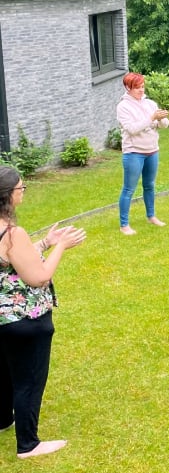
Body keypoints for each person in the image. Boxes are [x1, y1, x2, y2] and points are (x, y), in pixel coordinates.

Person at [0, 166, 86, 458]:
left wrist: (45, 242)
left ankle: (4, 420)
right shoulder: (12, 232)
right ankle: (28, 444)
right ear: (9, 196)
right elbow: (38, 277)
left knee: (4, 372)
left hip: (2, 319)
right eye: (21, 189)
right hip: (25, 320)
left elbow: (11, 259)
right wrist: (60, 247)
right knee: (28, 379)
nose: (23, 192)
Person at [116, 72, 169, 235]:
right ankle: (124, 225)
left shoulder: (150, 103)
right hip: (134, 153)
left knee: (149, 185)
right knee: (129, 189)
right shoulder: (123, 107)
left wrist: (160, 118)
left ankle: (151, 216)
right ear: (128, 88)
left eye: (142, 87)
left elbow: (165, 125)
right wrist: (151, 118)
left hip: (152, 151)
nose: (141, 90)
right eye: (137, 88)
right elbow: (132, 129)